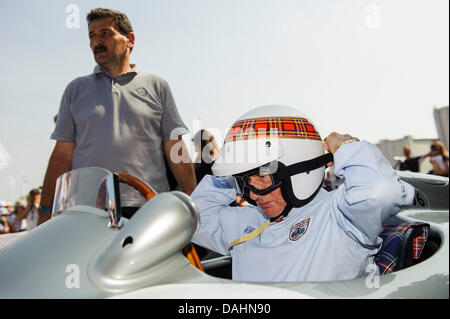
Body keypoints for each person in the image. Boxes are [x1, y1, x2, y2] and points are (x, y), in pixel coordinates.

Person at [191, 105, 415, 282]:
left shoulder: (340, 215)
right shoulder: (246, 222)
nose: (254, 195)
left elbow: (382, 191)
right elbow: (195, 218)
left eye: (261, 177)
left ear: (297, 170)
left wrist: (347, 147)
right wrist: (230, 171)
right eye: (245, 181)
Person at [38, 8, 196, 224]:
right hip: (87, 209)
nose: (97, 42)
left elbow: (174, 147)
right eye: (92, 36)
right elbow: (61, 156)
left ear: (129, 39)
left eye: (105, 33)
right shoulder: (75, 90)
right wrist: (46, 210)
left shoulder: (157, 86)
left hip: (147, 208)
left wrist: (195, 201)